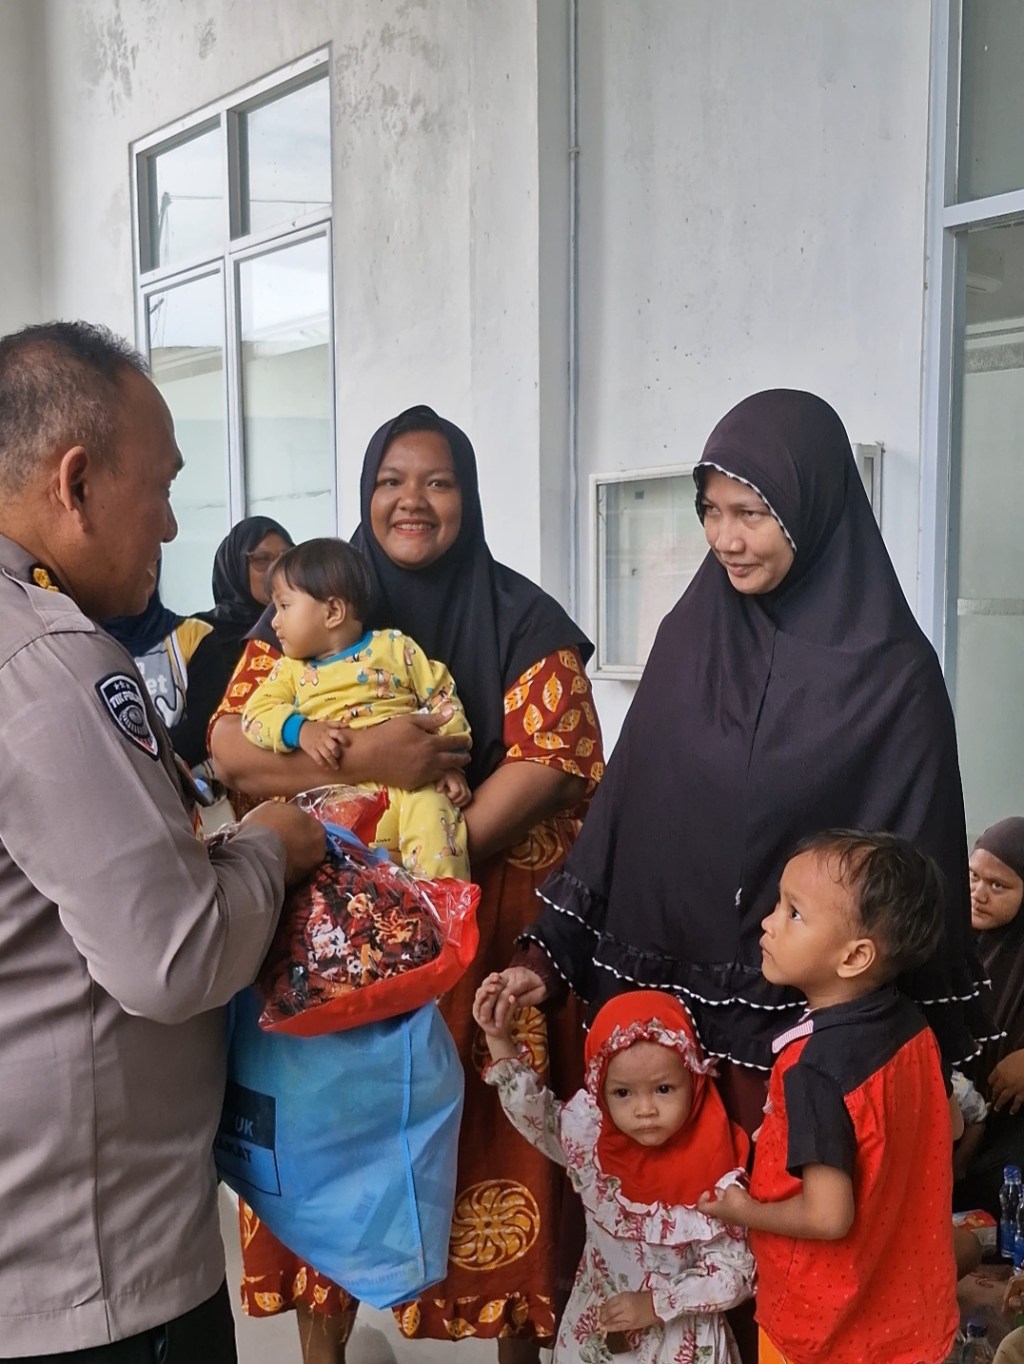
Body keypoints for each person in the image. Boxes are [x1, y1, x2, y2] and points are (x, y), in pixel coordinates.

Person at [208, 404, 604, 1364]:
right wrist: (372, 776)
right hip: (333, 938)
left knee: (496, 1140)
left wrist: (425, 876)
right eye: (391, 481)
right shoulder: (310, 598)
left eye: (437, 482)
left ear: (468, 496)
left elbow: (554, 759)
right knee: (330, 1141)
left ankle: (516, 1347)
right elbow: (229, 744)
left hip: (477, 934)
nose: (411, 501)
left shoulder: (524, 617)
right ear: (365, 493)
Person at [502, 388, 988, 1137]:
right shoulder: (686, 640)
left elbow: (919, 880)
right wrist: (551, 952)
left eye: (751, 514)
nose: (725, 538)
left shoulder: (896, 677)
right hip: (664, 1046)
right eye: (711, 511)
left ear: (811, 509)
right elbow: (624, 810)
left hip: (814, 1057)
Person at [0, 320, 325, 1361]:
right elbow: (173, 954)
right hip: (95, 1273)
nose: (174, 524)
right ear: (76, 483)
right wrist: (272, 846)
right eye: (163, 486)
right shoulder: (49, 661)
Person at [697, 829, 959, 1364]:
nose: (768, 922)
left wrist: (744, 1210)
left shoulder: (813, 1068)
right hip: (907, 1310)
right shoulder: (913, 1026)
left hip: (824, 1327)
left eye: (793, 912)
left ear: (855, 956)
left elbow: (828, 1217)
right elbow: (946, 1123)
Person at [472, 985, 753, 1363]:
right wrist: (499, 1041)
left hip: (678, 1343)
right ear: (600, 1090)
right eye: (623, 1093)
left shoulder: (717, 1171)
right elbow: (537, 1117)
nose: (645, 1109)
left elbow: (737, 1273)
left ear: (695, 1080)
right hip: (597, 1335)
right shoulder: (591, 1140)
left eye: (664, 1089)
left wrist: (656, 1303)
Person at [242, 536, 471, 879]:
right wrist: (300, 730)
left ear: (333, 612)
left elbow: (442, 697)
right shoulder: (290, 671)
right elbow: (255, 716)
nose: (274, 622)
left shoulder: (395, 648)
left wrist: (447, 762)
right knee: (328, 867)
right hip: (340, 798)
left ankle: (442, 909)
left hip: (418, 785)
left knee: (440, 832)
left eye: (284, 606)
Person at [953, 817, 1024, 1217]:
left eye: (998, 886)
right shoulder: (951, 940)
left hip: (1011, 1129)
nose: (978, 894)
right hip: (959, 1117)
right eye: (973, 876)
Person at [102, 559, 223, 775]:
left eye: (153, 561)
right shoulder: (85, 643)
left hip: (187, 786)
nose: (148, 572)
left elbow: (204, 727)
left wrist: (142, 765)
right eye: (140, 559)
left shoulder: (194, 635)